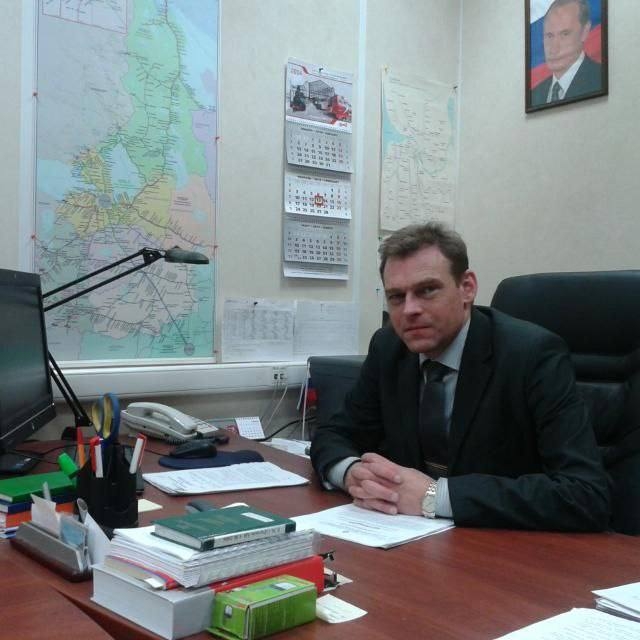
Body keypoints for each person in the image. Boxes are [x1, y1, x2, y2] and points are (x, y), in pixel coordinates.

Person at [310, 222, 610, 531]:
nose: (409, 310)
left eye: (427, 290)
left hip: (505, 545)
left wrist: (434, 496)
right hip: (408, 538)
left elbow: (585, 493)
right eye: (397, 297)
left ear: (467, 288)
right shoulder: (389, 347)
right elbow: (334, 434)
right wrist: (352, 474)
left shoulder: (533, 355)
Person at [531, 0, 602, 107]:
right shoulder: (535, 94)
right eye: (549, 36)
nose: (554, 49)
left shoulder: (598, 78)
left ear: (584, 32)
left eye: (565, 34)